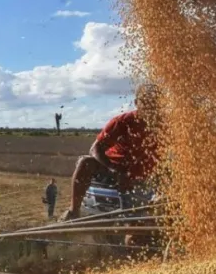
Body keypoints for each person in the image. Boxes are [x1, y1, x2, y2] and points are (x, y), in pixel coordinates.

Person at [61, 84, 161, 222]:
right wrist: (114, 170)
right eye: (147, 101)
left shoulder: (165, 126)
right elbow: (95, 149)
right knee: (85, 162)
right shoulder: (123, 122)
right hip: (114, 170)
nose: (151, 106)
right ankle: (73, 211)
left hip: (142, 177)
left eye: (155, 102)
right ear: (137, 103)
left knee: (136, 230)